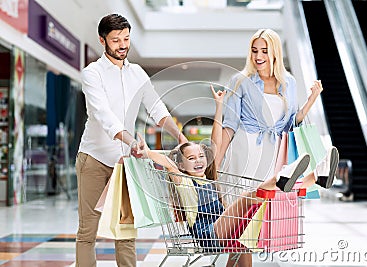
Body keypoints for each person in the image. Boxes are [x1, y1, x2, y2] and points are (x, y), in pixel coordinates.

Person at [136, 85, 338, 267]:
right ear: (181, 164)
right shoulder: (183, 181)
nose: (198, 161)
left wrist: (219, 105)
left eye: (200, 156)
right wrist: (147, 152)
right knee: (246, 197)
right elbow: (168, 164)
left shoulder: (209, 176)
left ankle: (316, 176)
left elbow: (216, 140)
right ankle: (280, 178)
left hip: (223, 225)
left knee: (259, 211)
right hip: (209, 234)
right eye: (191, 158)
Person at [214, 28, 339, 265]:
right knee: (244, 220)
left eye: (264, 50)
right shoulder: (239, 81)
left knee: (252, 221)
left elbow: (291, 124)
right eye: (254, 51)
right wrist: (216, 165)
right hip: (244, 151)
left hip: (272, 154)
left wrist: (311, 101)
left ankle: (316, 175)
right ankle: (316, 175)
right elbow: (229, 126)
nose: (258, 56)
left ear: (275, 53)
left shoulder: (288, 82)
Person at [75, 13, 187, 267]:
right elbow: (104, 116)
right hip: (94, 159)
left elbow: (157, 109)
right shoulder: (92, 74)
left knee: (126, 233)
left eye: (126, 39)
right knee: (87, 232)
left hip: (125, 163)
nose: (122, 45)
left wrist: (180, 137)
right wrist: (130, 140)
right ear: (102, 41)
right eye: (116, 40)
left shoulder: (138, 74)